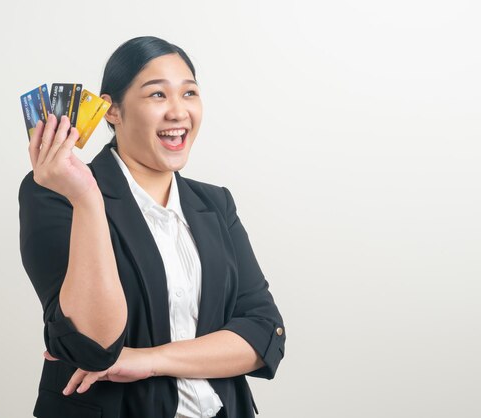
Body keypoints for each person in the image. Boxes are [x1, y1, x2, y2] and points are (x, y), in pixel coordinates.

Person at [18, 36, 286, 418]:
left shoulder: (215, 203)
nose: (178, 112)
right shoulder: (53, 194)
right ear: (111, 111)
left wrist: (150, 360)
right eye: (157, 95)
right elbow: (94, 345)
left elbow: (263, 333)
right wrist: (88, 200)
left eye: (189, 93)